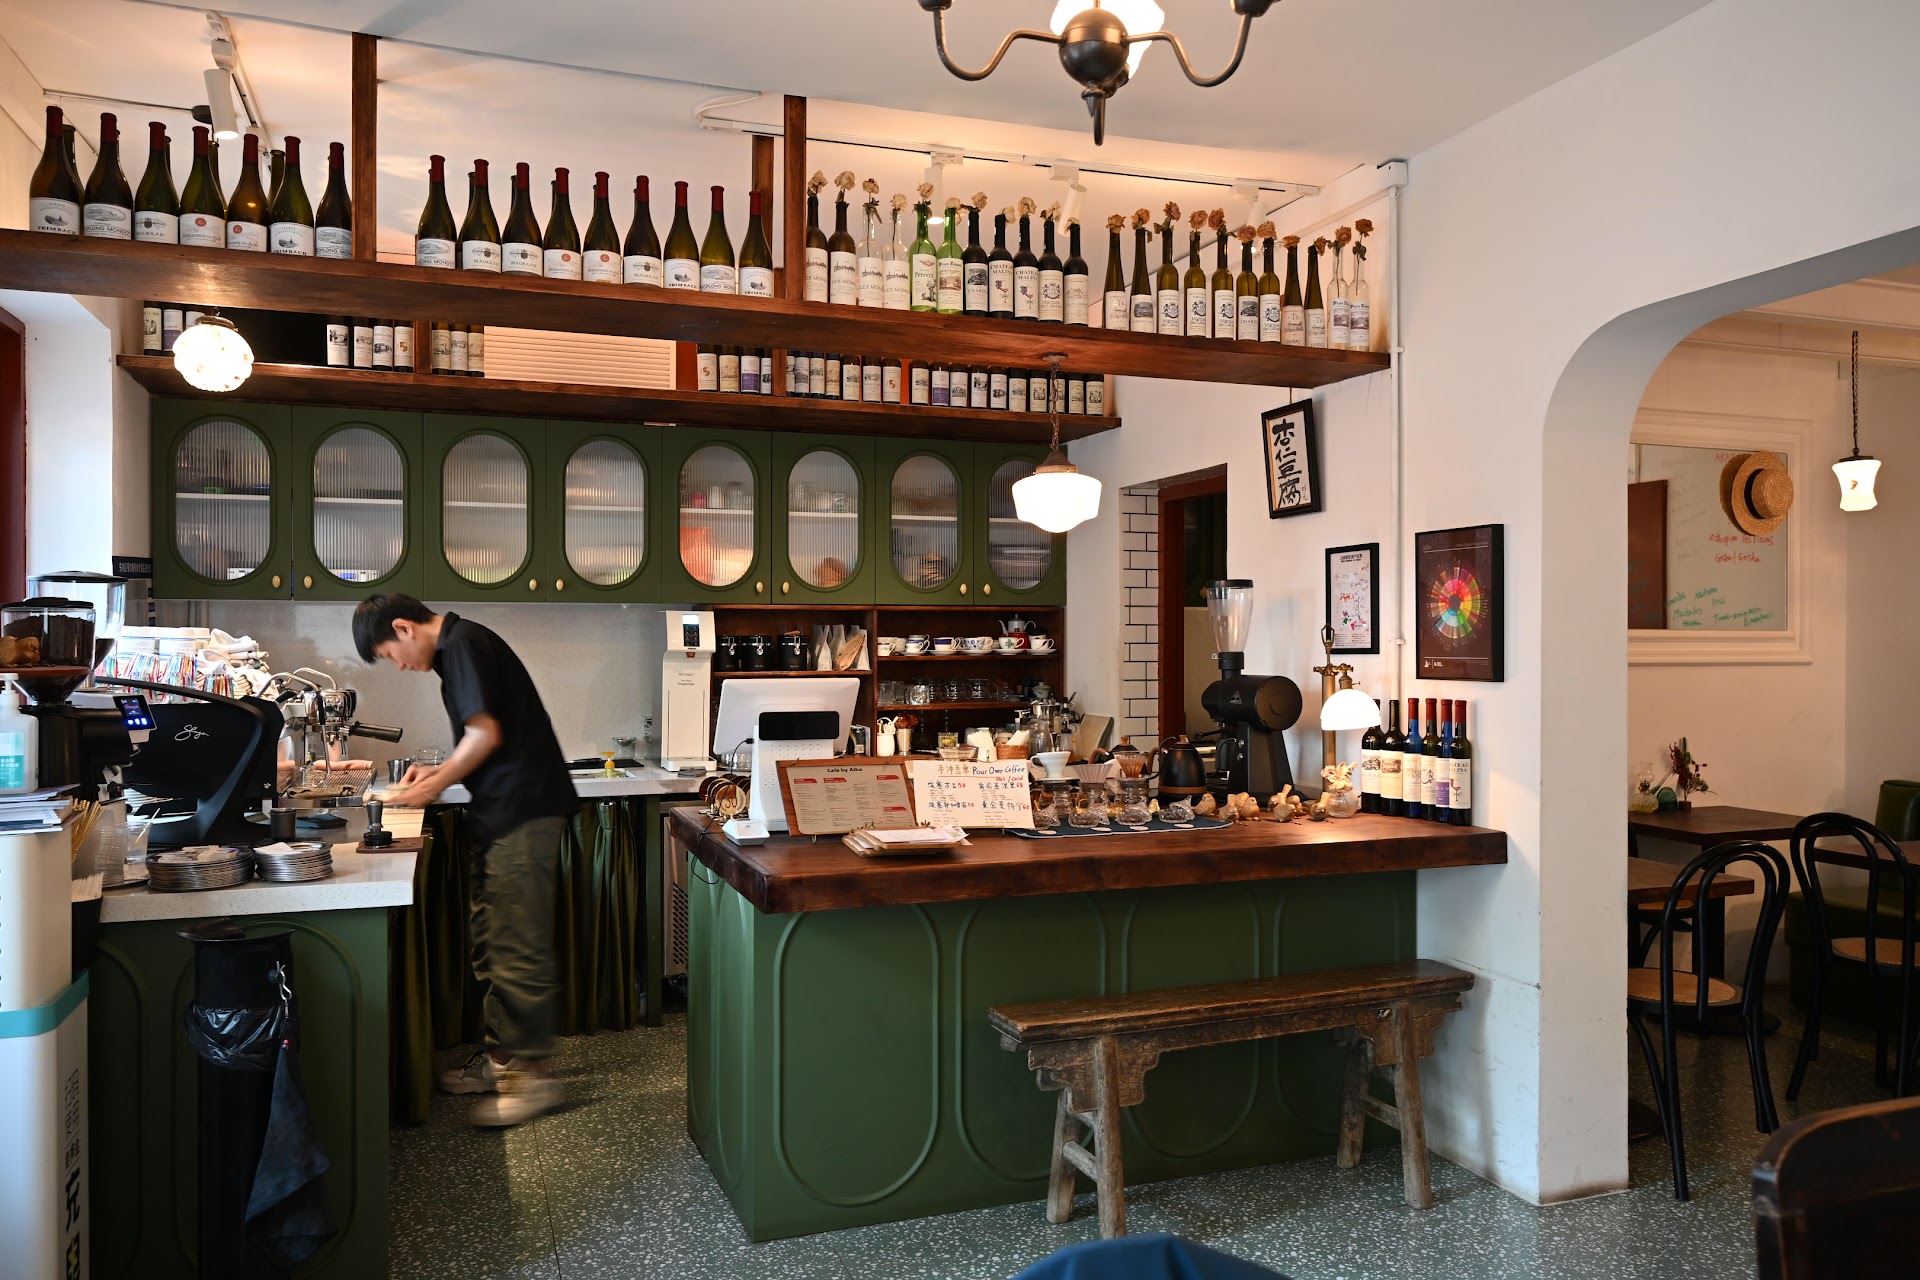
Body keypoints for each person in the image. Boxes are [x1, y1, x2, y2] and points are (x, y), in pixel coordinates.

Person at [353, 594, 578, 1126]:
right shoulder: (457, 650)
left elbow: (484, 736)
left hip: (523, 810)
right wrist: (431, 775)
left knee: (516, 944)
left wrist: (430, 786)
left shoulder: (463, 646)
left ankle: (535, 1079)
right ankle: (503, 1062)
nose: (398, 666)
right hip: (502, 811)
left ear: (404, 628)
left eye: (389, 654)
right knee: (492, 942)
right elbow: (486, 739)